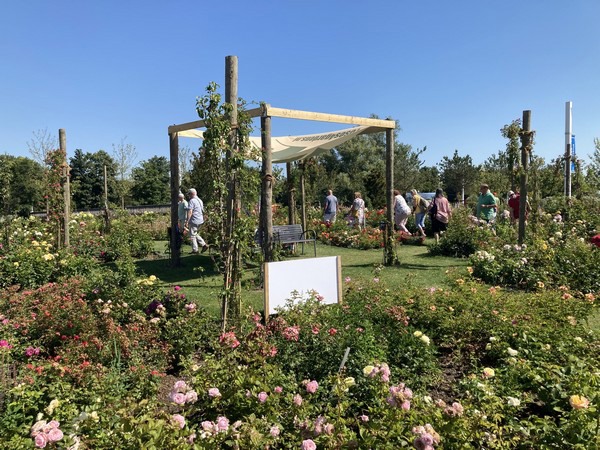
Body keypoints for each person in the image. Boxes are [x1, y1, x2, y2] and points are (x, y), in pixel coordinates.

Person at [184, 188, 209, 254]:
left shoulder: (192, 201)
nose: (188, 196)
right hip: (200, 220)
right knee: (194, 233)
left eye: (189, 194)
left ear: (191, 194)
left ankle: (195, 250)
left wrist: (187, 221)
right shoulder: (200, 200)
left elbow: (190, 211)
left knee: (192, 236)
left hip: (194, 220)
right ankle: (204, 245)